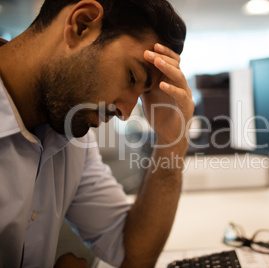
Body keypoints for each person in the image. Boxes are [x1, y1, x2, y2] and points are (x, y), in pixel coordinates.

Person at [0, 0, 194, 267]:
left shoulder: (72, 137)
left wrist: (171, 140)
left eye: (141, 94)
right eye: (131, 76)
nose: (125, 113)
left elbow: (132, 254)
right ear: (81, 24)